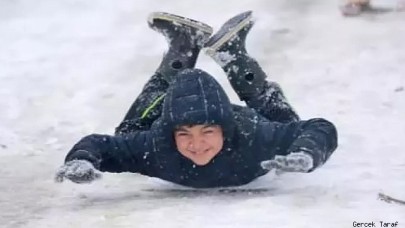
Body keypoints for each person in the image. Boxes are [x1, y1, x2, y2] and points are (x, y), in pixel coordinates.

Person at [55, 11, 338, 188]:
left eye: (208, 132)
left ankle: (215, 52)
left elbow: (319, 128)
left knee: (286, 124)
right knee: (130, 134)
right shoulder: (155, 146)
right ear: (170, 133)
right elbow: (98, 145)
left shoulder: (255, 138)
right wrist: (82, 160)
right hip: (167, 125)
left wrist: (306, 153)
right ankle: (197, 48)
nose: (197, 144)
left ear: (225, 130)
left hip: (249, 125)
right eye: (184, 134)